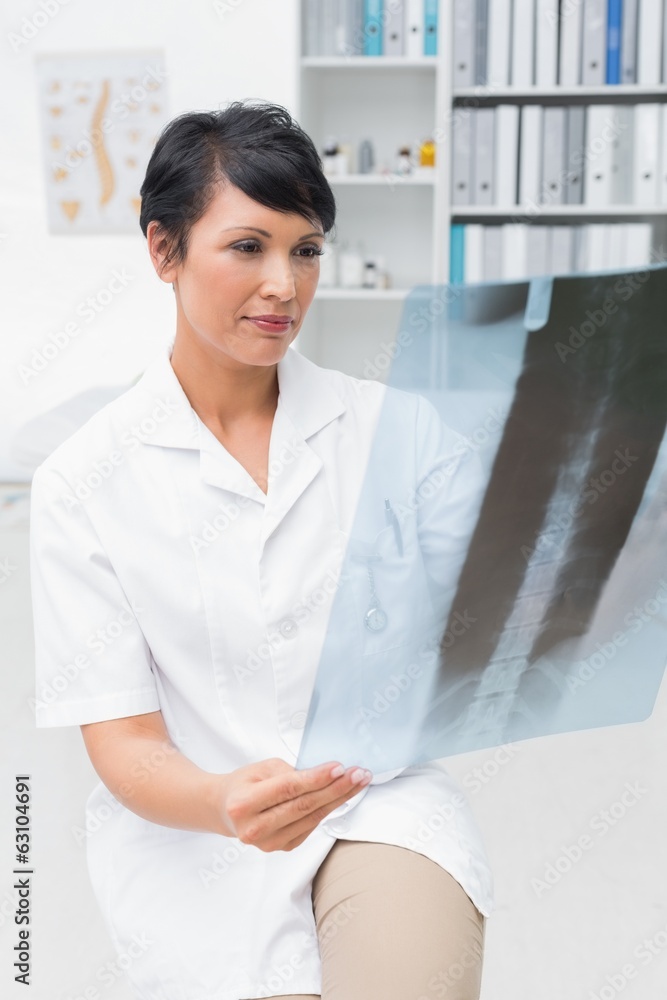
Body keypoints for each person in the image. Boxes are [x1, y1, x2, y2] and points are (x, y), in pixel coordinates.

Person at [29, 100, 493, 1000]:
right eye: (248, 246)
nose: (283, 284)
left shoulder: (392, 429)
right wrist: (221, 801)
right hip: (195, 843)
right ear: (163, 250)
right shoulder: (82, 483)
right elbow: (125, 741)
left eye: (305, 250)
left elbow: (498, 606)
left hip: (376, 804)